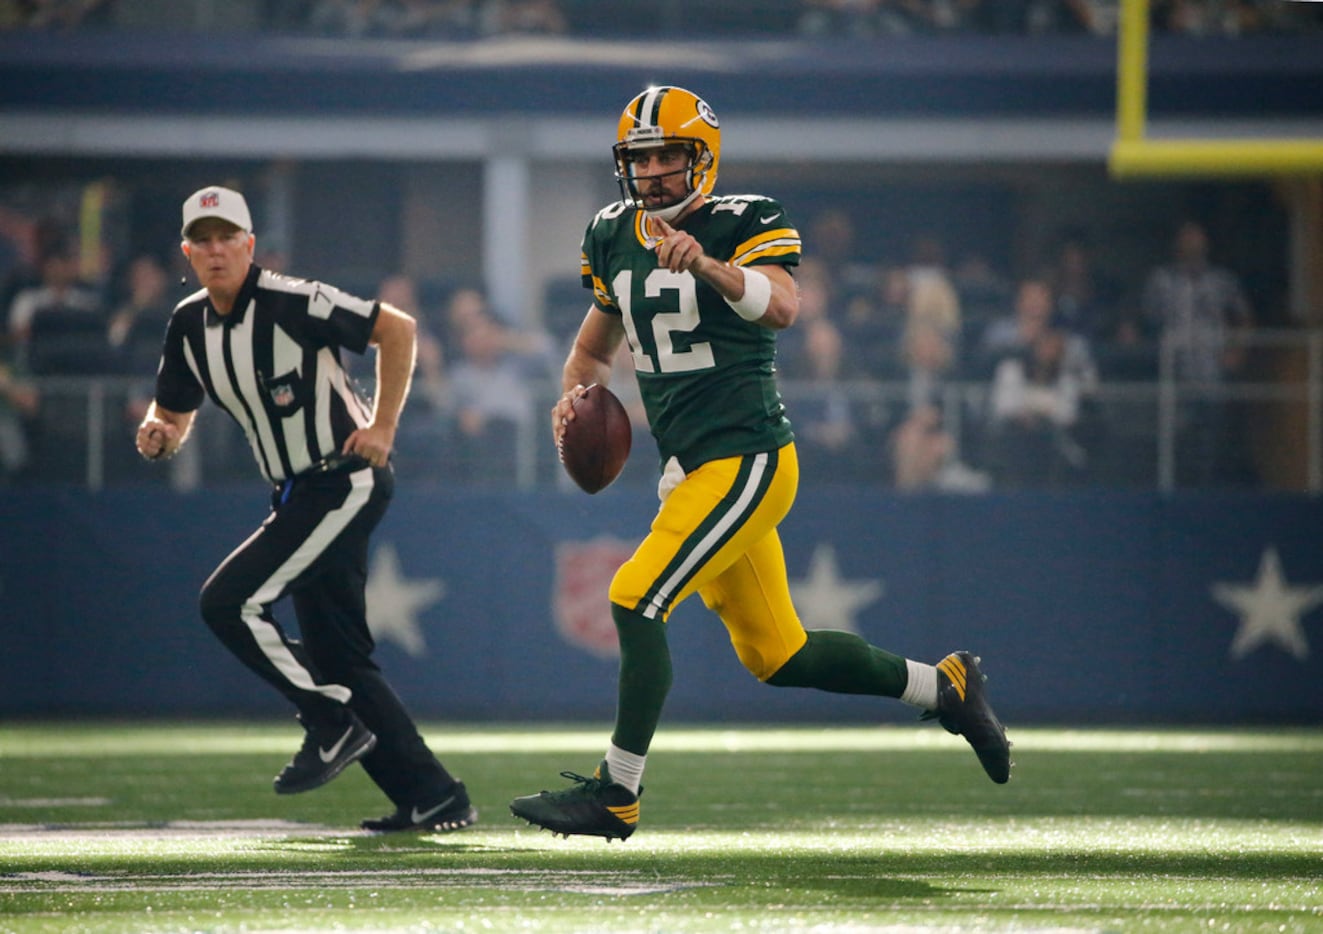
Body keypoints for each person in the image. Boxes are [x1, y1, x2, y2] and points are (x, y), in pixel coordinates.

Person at [509, 86, 1011, 842]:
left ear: (700, 160)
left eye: (666, 155)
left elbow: (782, 307)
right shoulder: (613, 233)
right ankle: (943, 687)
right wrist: (575, 397)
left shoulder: (748, 219)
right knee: (778, 653)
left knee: (633, 595)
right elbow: (589, 351)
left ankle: (617, 793)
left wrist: (708, 266)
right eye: (638, 157)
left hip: (746, 458)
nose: (650, 171)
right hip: (687, 467)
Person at [135, 185, 476, 833]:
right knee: (340, 658)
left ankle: (329, 720)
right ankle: (431, 794)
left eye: (225, 237)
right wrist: (158, 433)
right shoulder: (187, 324)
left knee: (228, 602)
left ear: (249, 244)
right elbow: (173, 410)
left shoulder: (294, 299)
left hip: (342, 480)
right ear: (187, 252)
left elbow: (396, 329)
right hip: (295, 491)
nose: (214, 251)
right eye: (201, 241)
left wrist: (382, 426)